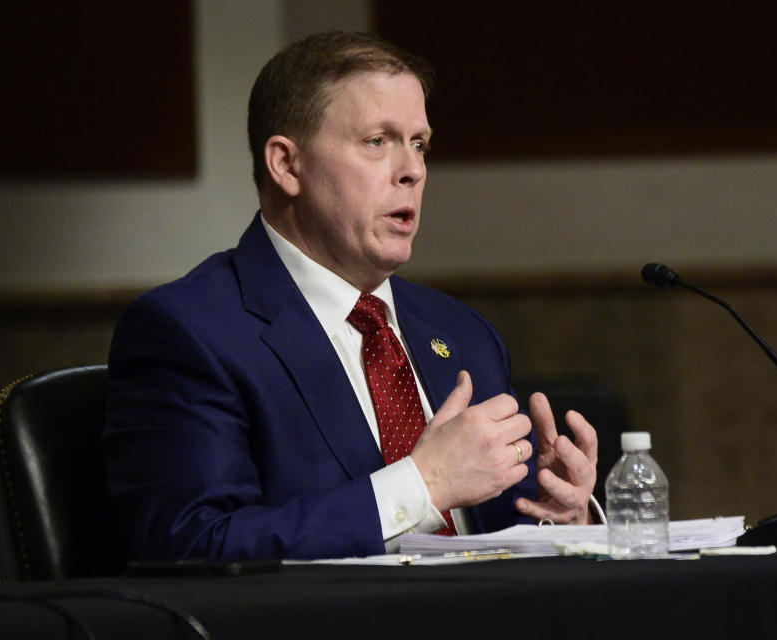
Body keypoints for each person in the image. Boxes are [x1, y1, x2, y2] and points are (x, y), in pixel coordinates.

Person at [103, 31, 598, 561]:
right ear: (287, 165)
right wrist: (420, 485)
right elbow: (194, 544)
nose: (411, 170)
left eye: (419, 143)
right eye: (377, 141)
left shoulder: (462, 334)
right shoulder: (191, 332)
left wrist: (562, 517)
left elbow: (501, 533)